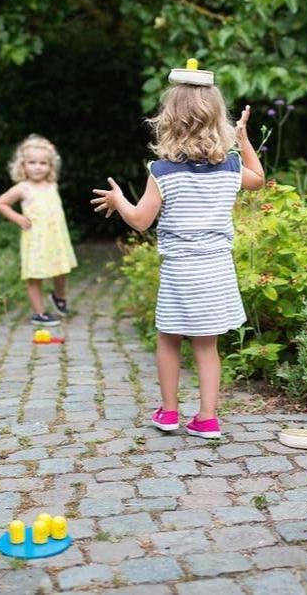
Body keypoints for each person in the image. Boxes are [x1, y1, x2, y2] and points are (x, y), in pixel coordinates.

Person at [91, 61, 264, 438]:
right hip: (217, 269)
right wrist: (244, 140)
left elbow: (140, 221)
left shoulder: (163, 171)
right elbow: (259, 180)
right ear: (217, 119)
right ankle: (208, 418)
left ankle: (169, 412)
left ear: (169, 120)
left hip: (181, 270)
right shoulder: (231, 167)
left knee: (168, 338)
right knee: (207, 347)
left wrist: (120, 200)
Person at [0, 134, 77, 326]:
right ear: (22, 165)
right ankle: (38, 313)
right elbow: (1, 203)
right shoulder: (22, 188)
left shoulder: (52, 185)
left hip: (56, 238)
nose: (38, 167)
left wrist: (48, 146)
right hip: (36, 240)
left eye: (43, 163)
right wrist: (18, 218)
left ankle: (59, 296)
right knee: (35, 276)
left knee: (61, 270)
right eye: (32, 162)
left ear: (51, 166)